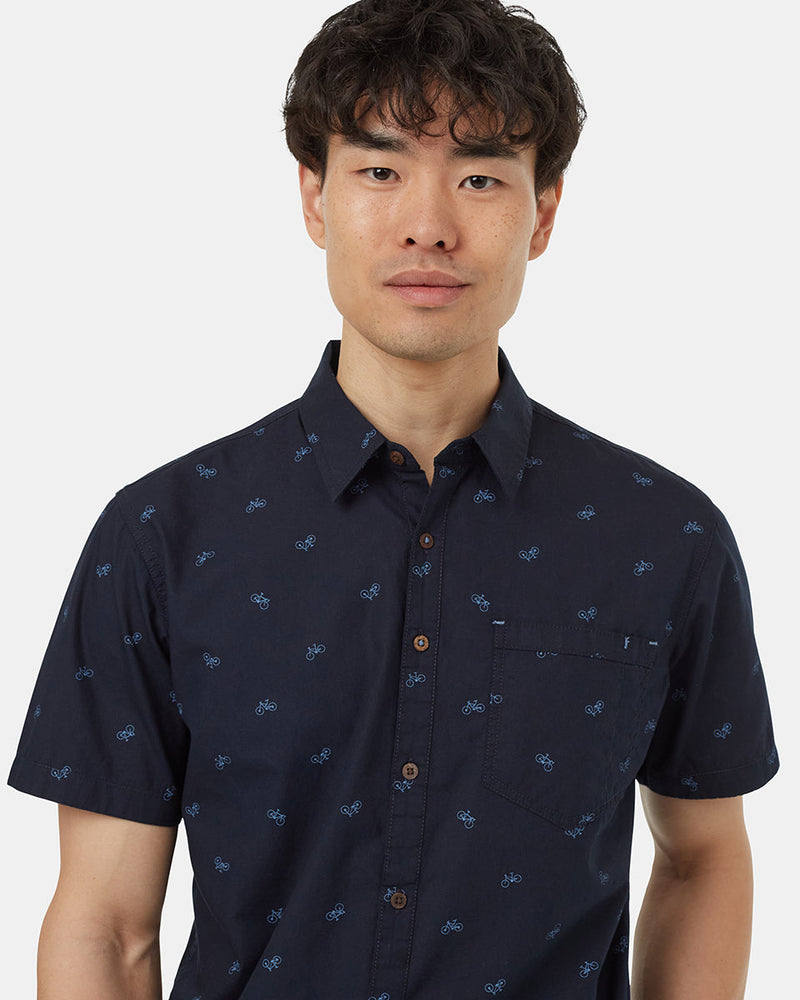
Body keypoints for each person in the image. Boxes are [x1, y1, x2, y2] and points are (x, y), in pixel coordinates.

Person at [8, 1, 779, 997]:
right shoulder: (163, 536)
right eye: (380, 171)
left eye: (479, 177)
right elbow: (106, 927)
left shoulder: (663, 536)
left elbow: (701, 855)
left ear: (543, 212)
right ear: (314, 198)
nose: (428, 225)